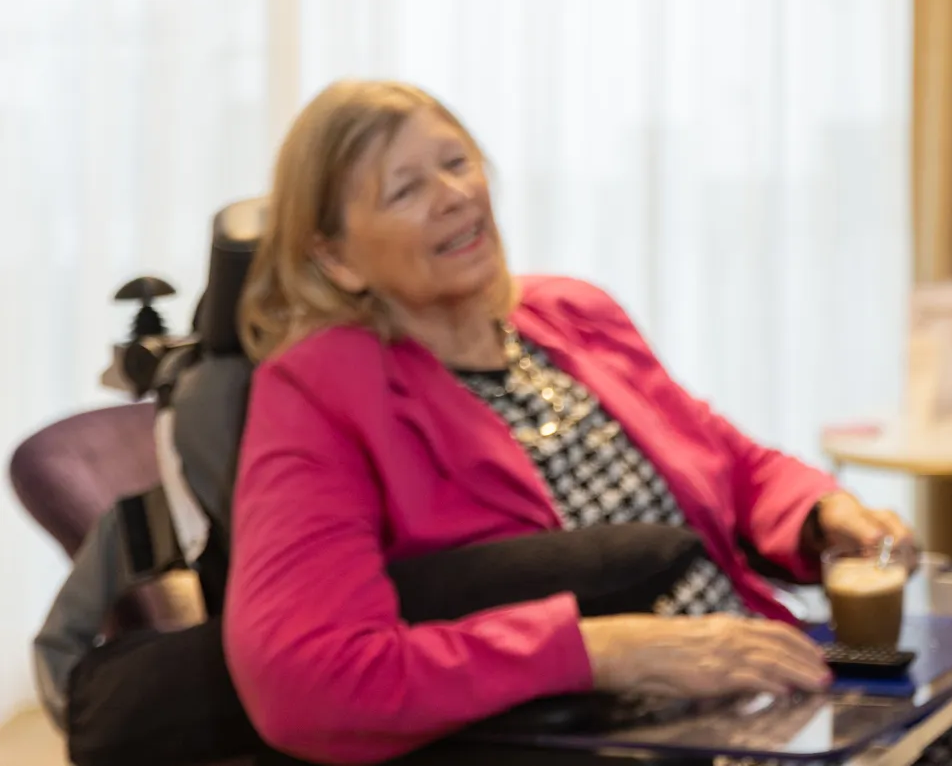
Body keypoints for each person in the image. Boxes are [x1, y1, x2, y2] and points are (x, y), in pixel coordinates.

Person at [224, 79, 913, 764]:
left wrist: (820, 511)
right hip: (625, 737)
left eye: (456, 161)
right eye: (405, 189)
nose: (454, 194)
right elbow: (305, 678)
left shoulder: (569, 313)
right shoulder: (316, 391)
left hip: (776, 687)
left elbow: (727, 461)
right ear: (336, 258)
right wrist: (598, 651)